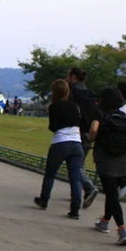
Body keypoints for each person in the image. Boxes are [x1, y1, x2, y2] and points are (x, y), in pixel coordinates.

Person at [89, 86, 126, 246]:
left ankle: (122, 230)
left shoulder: (100, 114)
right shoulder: (125, 116)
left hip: (105, 158)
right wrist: (125, 143)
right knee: (111, 193)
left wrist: (91, 139)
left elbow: (93, 130)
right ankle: (104, 221)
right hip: (124, 159)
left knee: (111, 194)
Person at [34, 79, 86, 218]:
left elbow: (53, 127)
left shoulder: (54, 106)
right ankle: (75, 209)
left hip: (60, 142)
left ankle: (44, 200)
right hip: (77, 143)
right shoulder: (75, 105)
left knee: (50, 174)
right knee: (75, 178)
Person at [66, 67, 100, 209]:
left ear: (73, 76)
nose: (66, 78)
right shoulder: (90, 93)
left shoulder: (71, 92)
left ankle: (88, 187)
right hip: (90, 132)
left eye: (68, 75)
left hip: (76, 132)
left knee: (73, 163)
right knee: (80, 163)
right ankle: (79, 192)